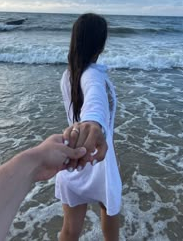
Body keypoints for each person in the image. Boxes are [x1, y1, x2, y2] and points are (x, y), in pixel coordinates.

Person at [0, 121, 107, 241]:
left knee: (72, 228)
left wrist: (37, 161)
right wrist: (93, 122)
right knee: (104, 213)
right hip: (88, 160)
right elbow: (93, 96)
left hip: (74, 164)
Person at [55, 13, 122, 241]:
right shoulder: (92, 74)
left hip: (74, 161)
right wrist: (93, 123)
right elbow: (94, 96)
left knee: (70, 231)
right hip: (99, 162)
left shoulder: (68, 74)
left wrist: (89, 124)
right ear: (100, 43)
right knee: (110, 231)